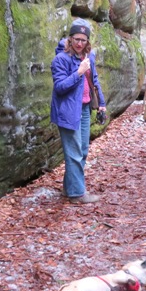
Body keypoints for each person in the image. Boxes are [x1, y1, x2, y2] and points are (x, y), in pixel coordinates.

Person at [51, 21, 106, 203]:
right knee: (74, 152)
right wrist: (79, 73)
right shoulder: (61, 59)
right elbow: (59, 87)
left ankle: (69, 189)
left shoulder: (88, 58)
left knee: (82, 150)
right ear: (70, 39)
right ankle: (77, 194)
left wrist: (101, 104)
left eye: (83, 40)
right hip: (67, 110)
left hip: (84, 109)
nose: (79, 43)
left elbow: (94, 81)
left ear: (87, 41)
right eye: (76, 39)